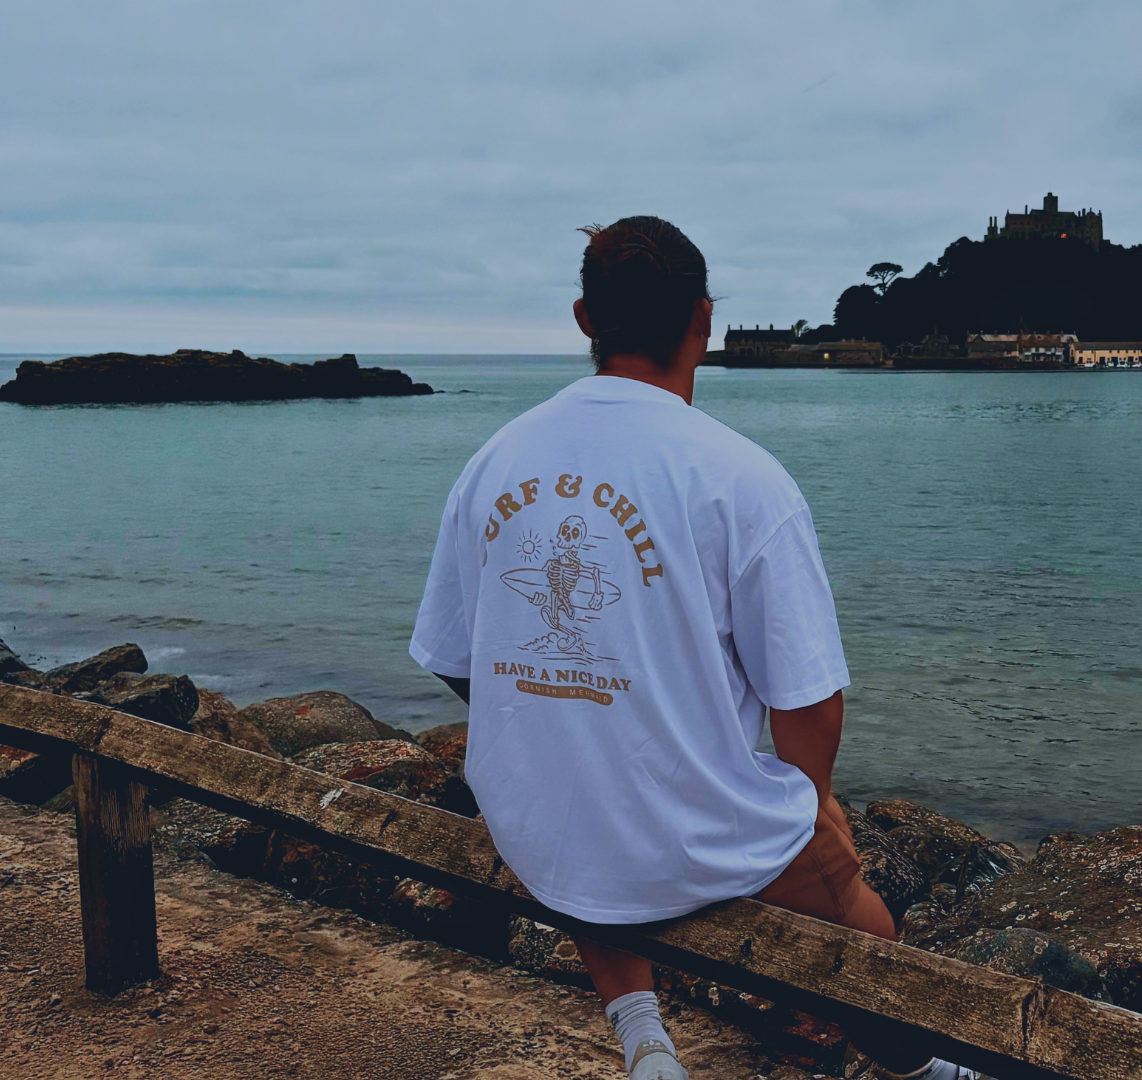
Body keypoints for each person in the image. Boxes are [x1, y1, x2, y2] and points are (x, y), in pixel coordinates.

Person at [408, 216, 985, 1080]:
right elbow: (808, 700)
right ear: (703, 321)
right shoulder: (741, 479)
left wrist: (556, 719)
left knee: (583, 791)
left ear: (582, 319)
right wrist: (813, 798)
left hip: (536, 828)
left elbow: (457, 656)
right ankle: (917, 1069)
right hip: (681, 840)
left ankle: (646, 1042)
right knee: (857, 914)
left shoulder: (494, 461)